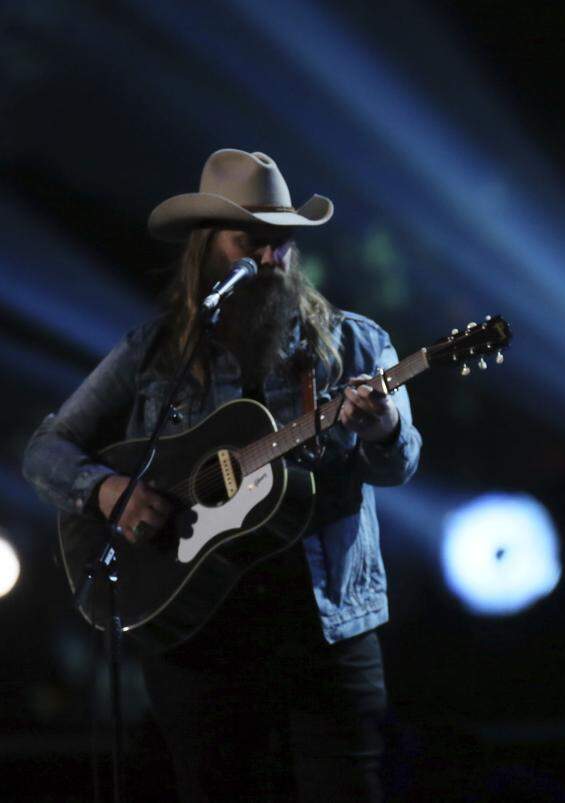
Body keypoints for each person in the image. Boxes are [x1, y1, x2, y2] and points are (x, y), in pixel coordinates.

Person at [23, 148, 421, 801]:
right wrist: (107, 489)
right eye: (250, 240)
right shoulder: (156, 352)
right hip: (197, 632)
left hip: (327, 630)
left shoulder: (357, 345)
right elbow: (47, 446)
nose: (269, 258)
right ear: (210, 247)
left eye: (281, 243)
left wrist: (378, 425)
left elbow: (402, 463)